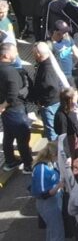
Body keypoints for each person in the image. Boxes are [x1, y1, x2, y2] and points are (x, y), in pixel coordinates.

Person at [0, 42, 33, 172]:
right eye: (14, 52)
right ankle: (28, 165)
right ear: (6, 55)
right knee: (23, 138)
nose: (17, 54)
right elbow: (13, 94)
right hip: (15, 109)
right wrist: (4, 105)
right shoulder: (10, 71)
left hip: (6, 111)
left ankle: (10, 161)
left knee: (8, 136)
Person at [31, 42, 67, 141]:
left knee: (52, 131)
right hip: (55, 101)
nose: (33, 55)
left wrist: (42, 102)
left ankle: (55, 148)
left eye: (33, 53)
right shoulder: (52, 61)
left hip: (50, 104)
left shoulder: (47, 70)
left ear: (38, 54)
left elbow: (52, 87)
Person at [30, 142, 64, 241]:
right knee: (57, 233)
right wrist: (59, 186)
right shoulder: (41, 168)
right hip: (48, 204)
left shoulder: (49, 163)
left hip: (52, 202)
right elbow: (44, 193)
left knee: (52, 230)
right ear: (53, 155)